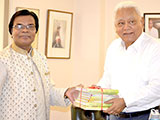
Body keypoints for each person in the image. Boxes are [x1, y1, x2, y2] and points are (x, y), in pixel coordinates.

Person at [0, 10, 79, 120]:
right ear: (11, 31)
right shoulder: (3, 59)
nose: (24, 30)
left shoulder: (41, 58)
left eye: (30, 26)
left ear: (35, 31)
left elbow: (48, 92)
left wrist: (67, 92)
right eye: (19, 26)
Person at [97, 1, 160, 120]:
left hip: (144, 116)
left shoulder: (155, 48)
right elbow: (107, 79)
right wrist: (95, 90)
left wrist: (126, 101)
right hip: (113, 116)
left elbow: (157, 87)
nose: (126, 27)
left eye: (132, 22)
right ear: (115, 27)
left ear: (141, 22)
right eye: (121, 23)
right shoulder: (113, 47)